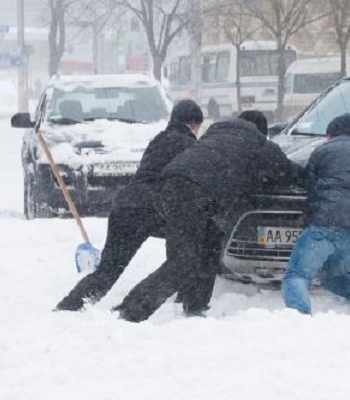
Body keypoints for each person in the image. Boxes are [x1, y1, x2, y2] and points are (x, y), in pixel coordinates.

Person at [113, 110, 305, 322]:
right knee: (183, 262)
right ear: (262, 131)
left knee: (210, 244)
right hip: (191, 195)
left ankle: (195, 307)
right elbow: (287, 172)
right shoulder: (258, 144)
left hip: (167, 187)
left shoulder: (214, 135)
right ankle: (131, 310)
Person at [55, 99, 206, 312]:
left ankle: (69, 307)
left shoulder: (158, 140)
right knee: (184, 253)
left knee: (108, 270)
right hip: (153, 208)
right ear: (193, 124)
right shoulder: (189, 145)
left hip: (125, 205)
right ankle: (166, 300)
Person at [281, 113, 350, 315]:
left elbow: (309, 186)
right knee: (332, 276)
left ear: (330, 134)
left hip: (325, 223)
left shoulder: (323, 151)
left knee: (297, 274)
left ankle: (298, 316)